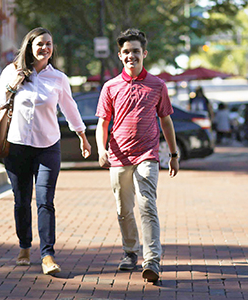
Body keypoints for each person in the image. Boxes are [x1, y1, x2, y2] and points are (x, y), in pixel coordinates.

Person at [0, 27, 91, 275]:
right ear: (29, 47)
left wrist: (82, 136)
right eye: (40, 44)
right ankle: (25, 246)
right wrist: (12, 86)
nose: (45, 48)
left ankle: (47, 254)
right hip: (16, 147)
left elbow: (70, 108)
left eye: (49, 43)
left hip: (48, 147)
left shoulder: (58, 78)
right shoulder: (12, 72)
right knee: (21, 201)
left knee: (45, 202)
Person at [95, 28, 179, 282]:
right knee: (123, 209)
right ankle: (130, 252)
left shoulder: (157, 85)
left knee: (147, 205)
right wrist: (101, 149)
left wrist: (173, 154)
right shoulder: (110, 87)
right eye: (126, 51)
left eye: (136, 51)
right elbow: (102, 123)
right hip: (119, 156)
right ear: (120, 56)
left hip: (147, 155)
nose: (131, 55)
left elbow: (166, 120)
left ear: (144, 53)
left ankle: (152, 260)